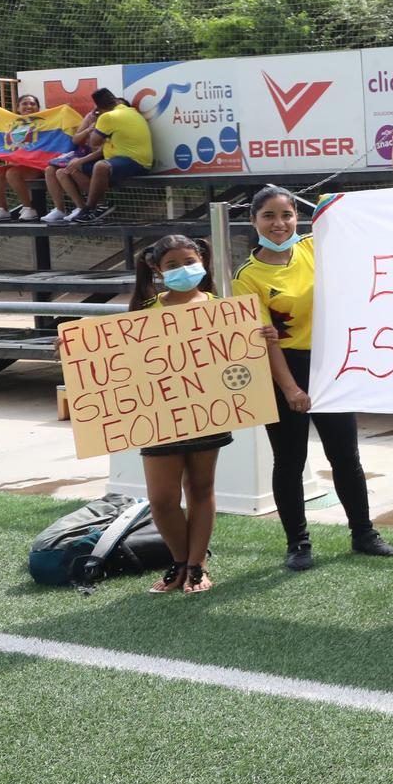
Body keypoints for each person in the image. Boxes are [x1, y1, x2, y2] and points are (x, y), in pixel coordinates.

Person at [233, 186, 393, 572]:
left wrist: (333, 203)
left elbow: (347, 220)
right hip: (283, 370)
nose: (279, 224)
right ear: (253, 221)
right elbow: (265, 342)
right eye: (269, 216)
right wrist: (290, 388)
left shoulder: (312, 248)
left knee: (345, 455)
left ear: (297, 217)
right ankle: (298, 543)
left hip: (330, 365)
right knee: (289, 461)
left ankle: (364, 533)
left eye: (287, 215)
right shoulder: (248, 276)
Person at [130, 235, 226, 595]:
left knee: (201, 487)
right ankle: (180, 559)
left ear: (201, 259)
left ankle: (196, 565)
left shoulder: (223, 309)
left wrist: (259, 336)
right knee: (162, 498)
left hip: (207, 411)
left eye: (189, 261)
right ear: (157, 269)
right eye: (172, 265)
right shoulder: (145, 311)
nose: (183, 270)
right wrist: (74, 350)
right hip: (158, 415)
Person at [48, 88, 152, 224]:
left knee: (101, 166)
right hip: (123, 160)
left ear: (99, 108)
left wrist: (97, 123)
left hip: (135, 162)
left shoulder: (107, 117)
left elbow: (94, 142)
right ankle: (98, 204)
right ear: (114, 100)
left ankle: (90, 209)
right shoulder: (132, 111)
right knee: (74, 167)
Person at [0, 94, 48, 221]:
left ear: (38, 108)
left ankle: (29, 209)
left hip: (39, 165)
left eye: (33, 104)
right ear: (18, 108)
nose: (29, 106)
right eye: (25, 104)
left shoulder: (45, 122)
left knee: (13, 173)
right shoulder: (11, 125)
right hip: (22, 165)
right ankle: (3, 210)